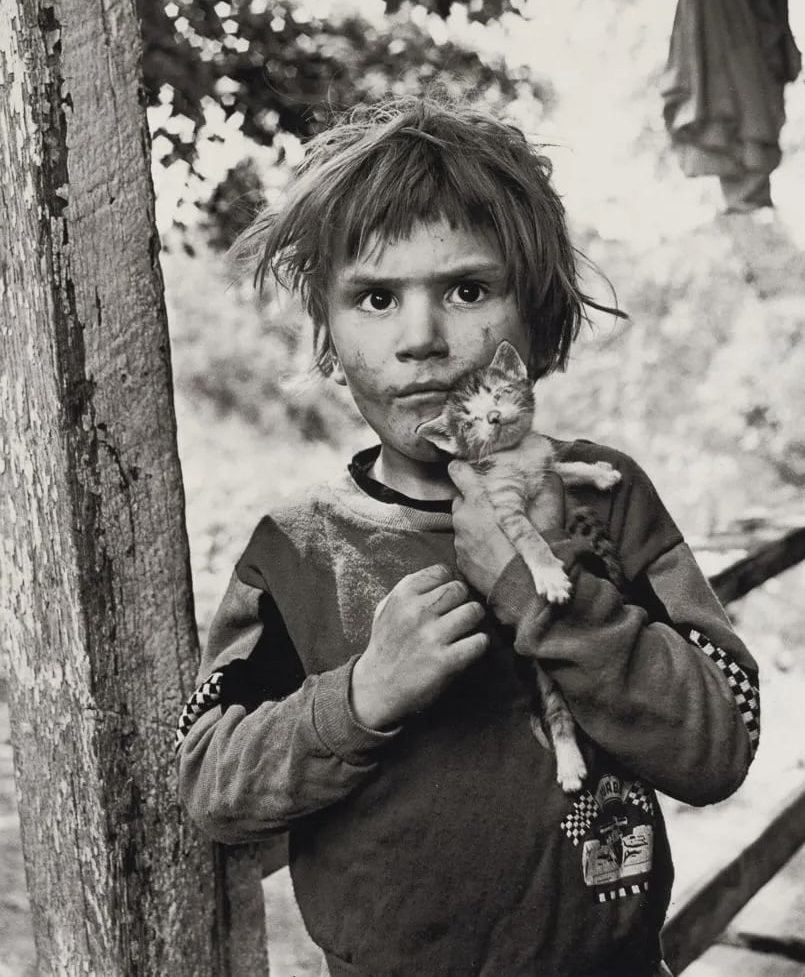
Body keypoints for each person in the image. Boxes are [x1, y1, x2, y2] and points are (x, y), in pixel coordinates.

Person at [176, 92, 759, 977]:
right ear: (329, 334)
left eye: (468, 289)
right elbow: (211, 781)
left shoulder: (606, 498)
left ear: (538, 313)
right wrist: (362, 696)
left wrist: (551, 594)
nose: (421, 338)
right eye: (374, 297)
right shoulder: (297, 549)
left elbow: (718, 743)